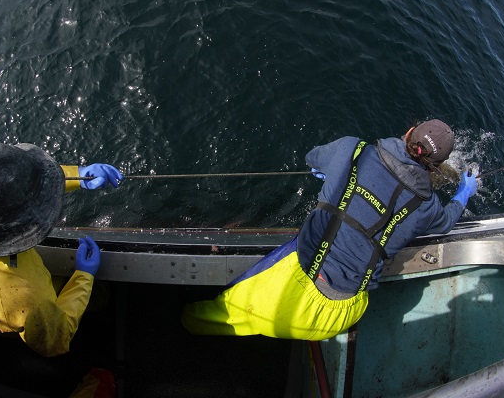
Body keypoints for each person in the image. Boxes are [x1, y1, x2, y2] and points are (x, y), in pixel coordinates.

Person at [181, 119, 478, 340]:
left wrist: (332, 168)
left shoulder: (352, 149)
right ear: (435, 166)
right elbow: (447, 220)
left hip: (290, 296)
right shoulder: (427, 208)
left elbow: (312, 157)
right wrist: (463, 194)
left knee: (206, 318)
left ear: (410, 131)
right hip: (341, 316)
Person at [0, 142, 123, 357]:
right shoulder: (28, 297)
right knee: (99, 295)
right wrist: (84, 276)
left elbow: (0, 193)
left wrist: (77, 175)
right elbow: (55, 342)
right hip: (4, 314)